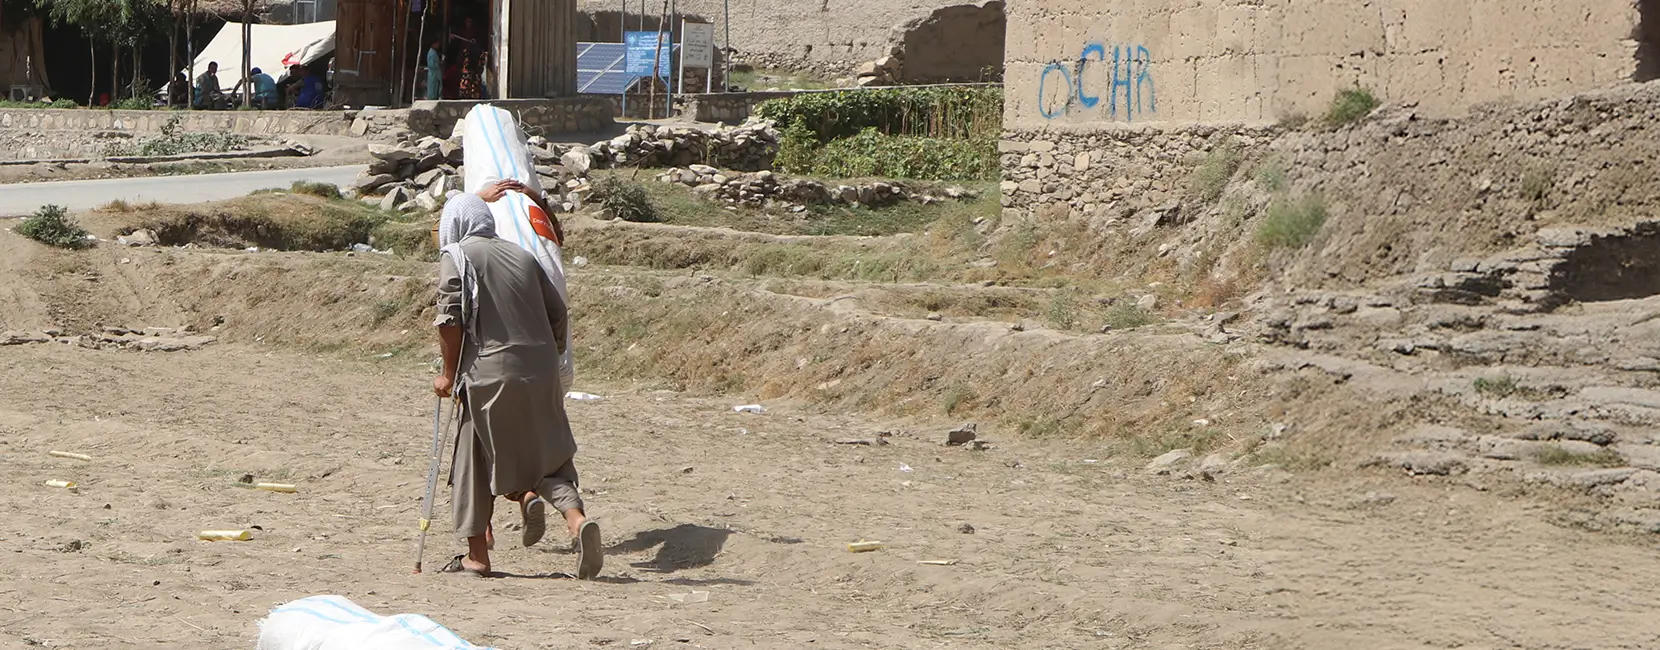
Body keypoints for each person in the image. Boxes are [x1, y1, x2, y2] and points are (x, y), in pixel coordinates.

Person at [432, 185, 598, 579]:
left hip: (489, 373)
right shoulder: (523, 255)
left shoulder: (457, 255)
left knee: (473, 458)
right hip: (540, 370)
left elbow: (450, 319)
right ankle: (576, 522)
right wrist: (545, 355)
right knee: (548, 454)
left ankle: (477, 557)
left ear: (454, 224)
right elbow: (558, 312)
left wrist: (448, 374)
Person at [424, 36, 444, 100]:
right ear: (433, 44)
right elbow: (433, 65)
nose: (438, 45)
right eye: (437, 43)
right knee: (433, 90)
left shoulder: (434, 52)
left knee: (435, 89)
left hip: (435, 73)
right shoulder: (431, 53)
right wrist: (440, 63)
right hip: (433, 73)